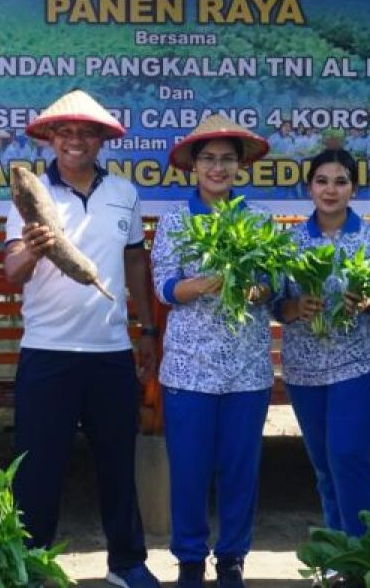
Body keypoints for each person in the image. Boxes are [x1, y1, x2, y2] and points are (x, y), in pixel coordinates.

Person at [4, 89, 159, 588]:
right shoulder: (30, 196)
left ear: (101, 139)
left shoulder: (124, 193)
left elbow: (135, 259)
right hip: (47, 353)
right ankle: (30, 566)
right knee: (37, 472)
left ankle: (127, 563)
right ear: (51, 138)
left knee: (118, 464)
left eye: (86, 132)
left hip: (110, 352)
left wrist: (147, 328)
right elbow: (11, 272)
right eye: (65, 132)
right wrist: (31, 250)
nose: (76, 141)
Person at [150, 115, 273, 588]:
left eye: (227, 159)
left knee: (240, 469)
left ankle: (233, 560)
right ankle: (188, 560)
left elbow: (273, 285)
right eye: (209, 159)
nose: (218, 168)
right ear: (193, 166)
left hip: (247, 369)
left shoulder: (258, 219)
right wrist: (199, 285)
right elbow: (163, 287)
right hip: (188, 370)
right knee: (189, 470)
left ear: (239, 166)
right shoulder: (175, 220)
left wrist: (251, 290)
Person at [278, 149, 370, 536]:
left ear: (353, 189)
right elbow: (273, 303)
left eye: (340, 181)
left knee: (347, 455)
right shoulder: (291, 241)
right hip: (306, 370)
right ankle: (338, 559)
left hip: (363, 365)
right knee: (325, 467)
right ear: (308, 187)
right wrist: (296, 306)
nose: (330, 190)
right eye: (322, 181)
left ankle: (367, 560)